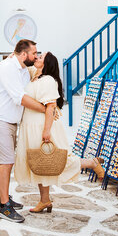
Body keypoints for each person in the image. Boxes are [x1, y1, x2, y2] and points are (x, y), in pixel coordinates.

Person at [14, 52, 104, 213]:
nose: (36, 58)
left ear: (47, 64)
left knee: (60, 160)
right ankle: (45, 200)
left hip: (42, 126)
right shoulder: (34, 77)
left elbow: (51, 107)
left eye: (40, 57)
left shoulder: (48, 80)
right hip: (31, 125)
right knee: (40, 164)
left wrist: (46, 130)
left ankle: (91, 163)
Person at [0, 39, 46, 223]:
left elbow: (33, 80)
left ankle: (0, 197)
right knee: (6, 162)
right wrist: (44, 109)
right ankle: (4, 207)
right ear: (24, 54)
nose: (36, 56)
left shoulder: (22, 68)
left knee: (0, 161)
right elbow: (20, 97)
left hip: (6, 120)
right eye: (34, 53)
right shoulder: (8, 68)